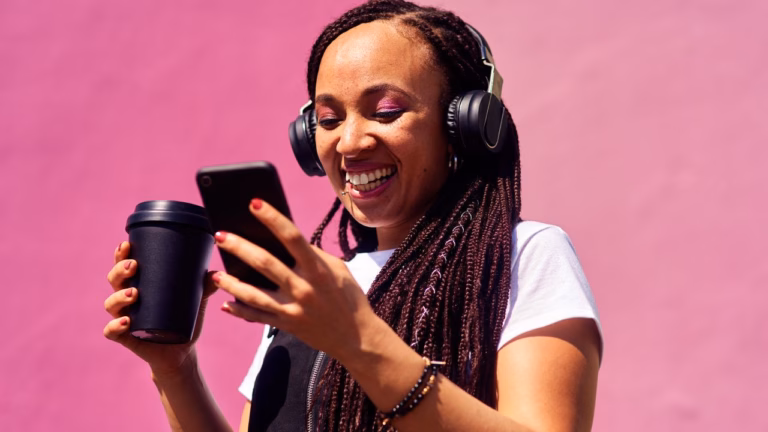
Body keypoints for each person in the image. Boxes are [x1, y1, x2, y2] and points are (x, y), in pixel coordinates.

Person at [103, 0, 602, 430]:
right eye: (327, 120)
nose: (350, 142)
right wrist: (175, 370)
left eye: (385, 112)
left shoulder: (522, 255)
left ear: (465, 124)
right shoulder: (314, 288)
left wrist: (357, 340)